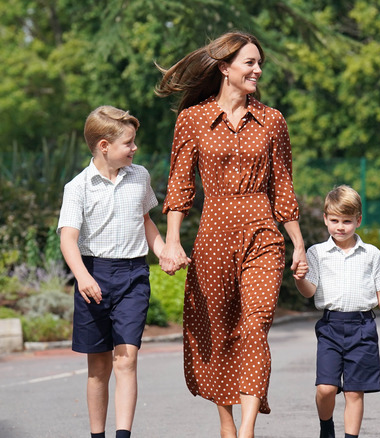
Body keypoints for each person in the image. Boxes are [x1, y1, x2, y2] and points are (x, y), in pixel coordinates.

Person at [154, 31, 306, 438]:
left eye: (260, 64)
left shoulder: (272, 120)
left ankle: (247, 429)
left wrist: (297, 243)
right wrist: (171, 241)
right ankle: (226, 425)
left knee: (255, 326)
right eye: (249, 63)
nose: (258, 70)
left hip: (263, 236)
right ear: (225, 68)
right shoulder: (193, 120)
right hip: (213, 237)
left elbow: (284, 187)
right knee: (217, 330)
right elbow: (180, 187)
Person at [58, 105, 165, 438]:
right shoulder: (78, 187)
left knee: (126, 360)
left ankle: (123, 435)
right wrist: (83, 276)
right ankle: (97, 435)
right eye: (128, 143)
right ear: (104, 146)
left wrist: (163, 252)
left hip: (133, 276)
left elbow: (146, 221)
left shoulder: (140, 176)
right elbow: (68, 239)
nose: (134, 149)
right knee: (99, 368)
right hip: (93, 275)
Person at [294, 185, 380, 438]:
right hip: (331, 327)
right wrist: (300, 278)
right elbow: (309, 291)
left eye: (347, 221)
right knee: (325, 388)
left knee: (355, 391)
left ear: (358, 220)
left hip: (363, 328)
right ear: (325, 219)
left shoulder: (371, 254)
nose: (340, 227)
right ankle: (326, 427)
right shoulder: (316, 253)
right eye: (334, 220)